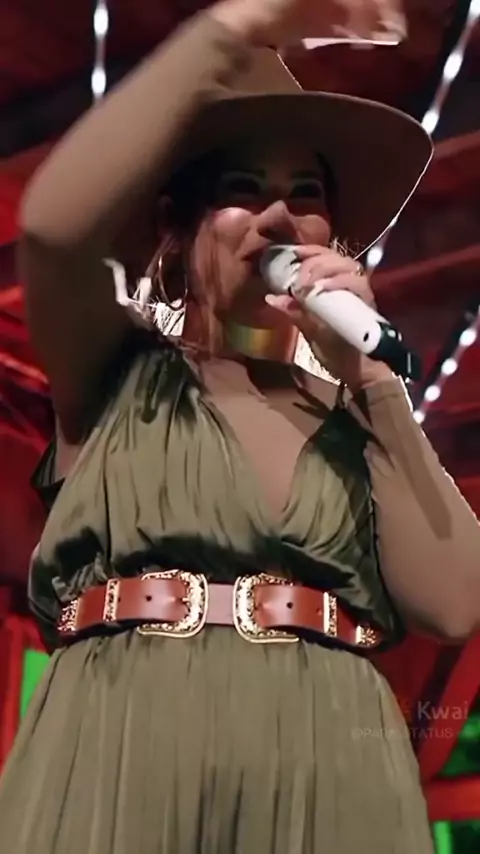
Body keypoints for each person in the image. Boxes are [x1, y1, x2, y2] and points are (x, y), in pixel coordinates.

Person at [1, 0, 480, 851]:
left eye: (306, 194)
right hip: (122, 749)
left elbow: (456, 603)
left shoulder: (356, 420)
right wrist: (239, 25)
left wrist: (372, 383)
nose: (279, 216)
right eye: (241, 189)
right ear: (178, 226)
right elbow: (50, 228)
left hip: (332, 773)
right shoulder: (116, 371)